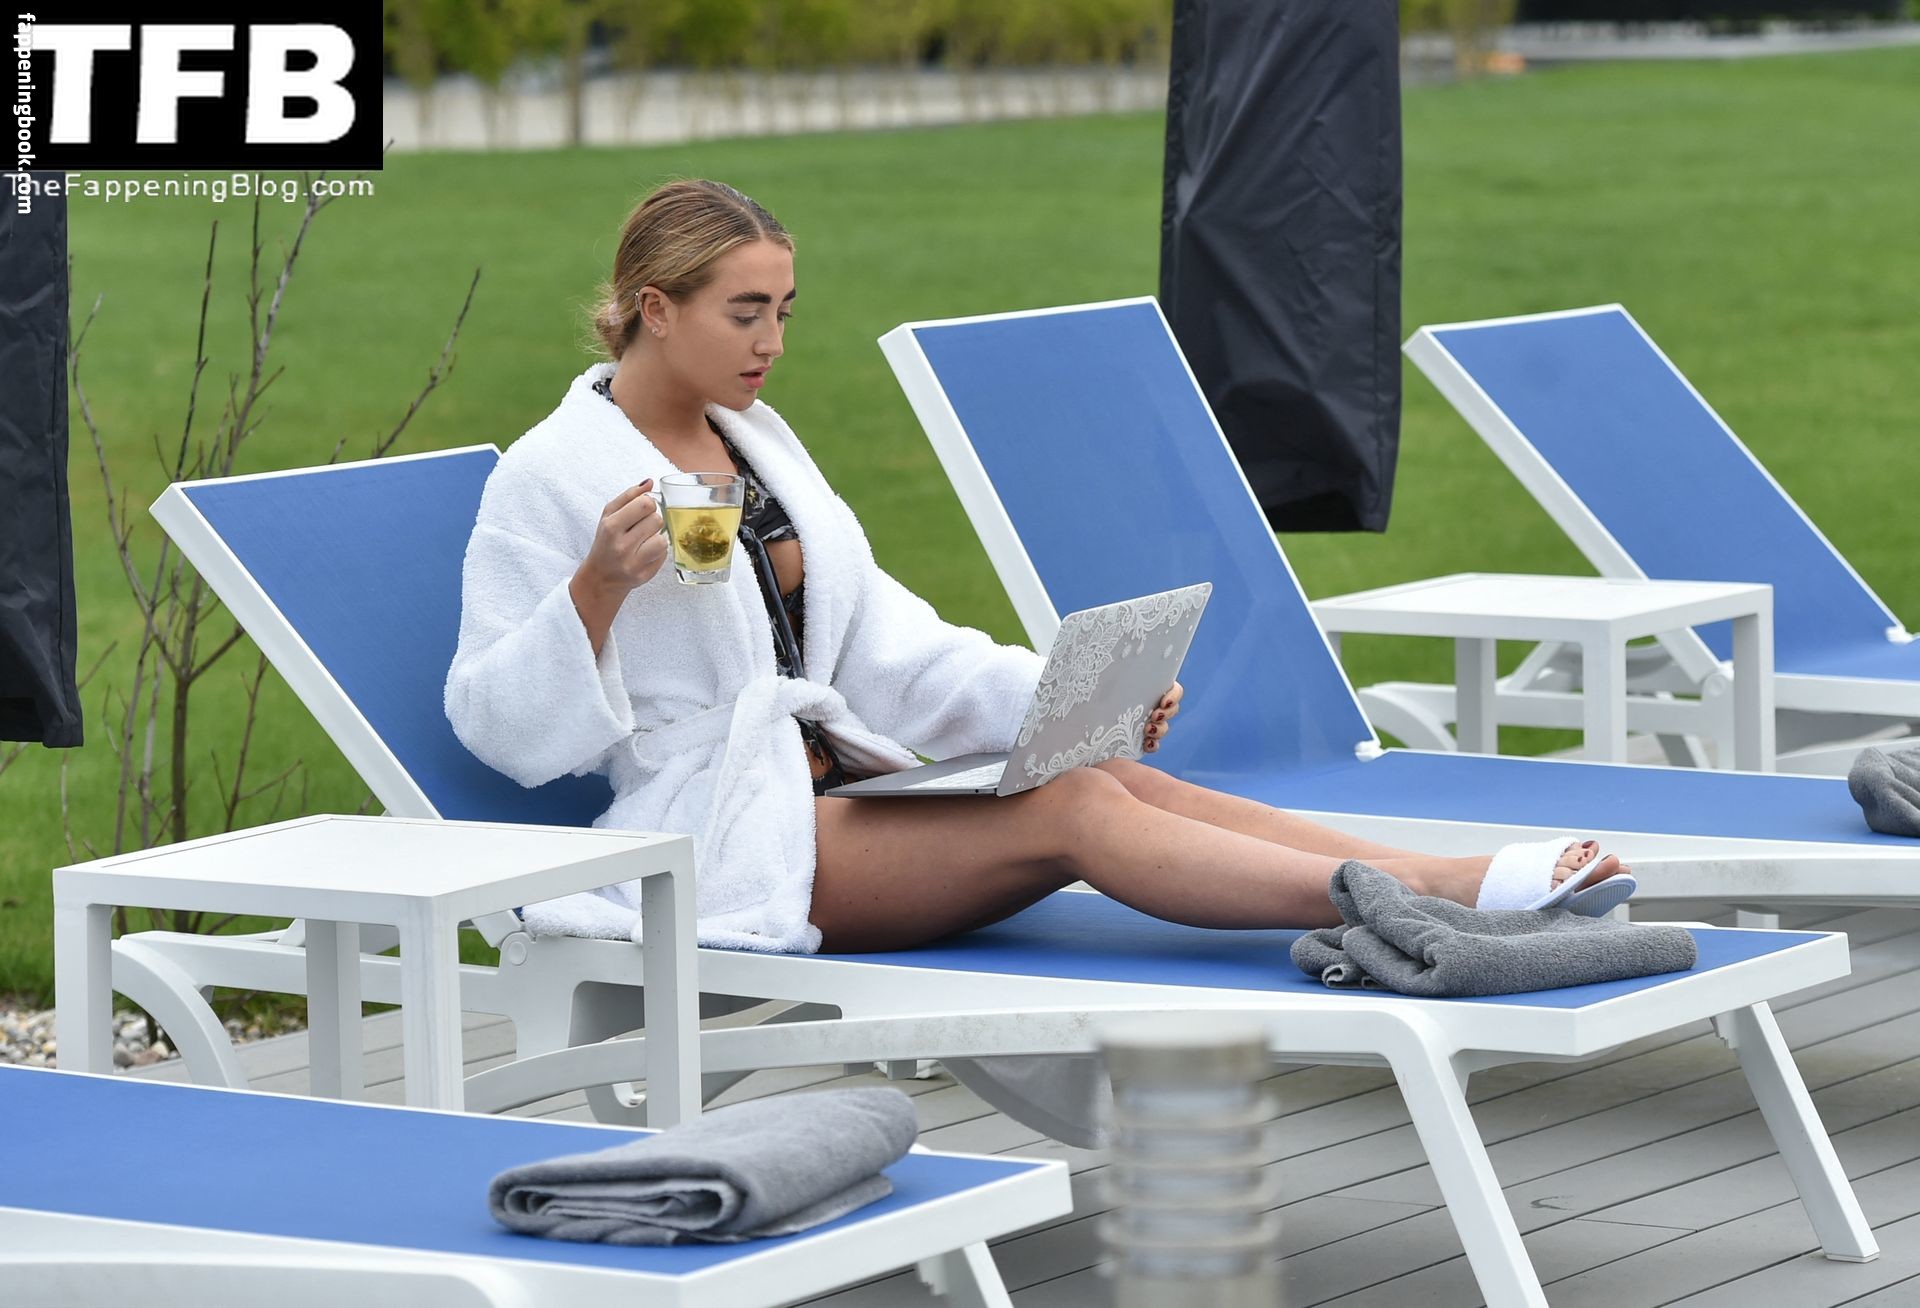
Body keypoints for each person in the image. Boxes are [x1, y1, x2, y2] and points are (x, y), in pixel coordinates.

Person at [444, 178, 1628, 958]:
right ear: (656, 308)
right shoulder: (555, 477)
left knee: (1102, 773)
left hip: (840, 797)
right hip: (727, 839)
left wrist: (1069, 705)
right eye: (746, 313)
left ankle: (1431, 878)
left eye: (786, 311)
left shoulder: (758, 443)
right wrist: (595, 591)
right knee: (1072, 809)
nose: (774, 344)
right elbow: (498, 725)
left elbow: (886, 647)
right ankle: (1436, 901)